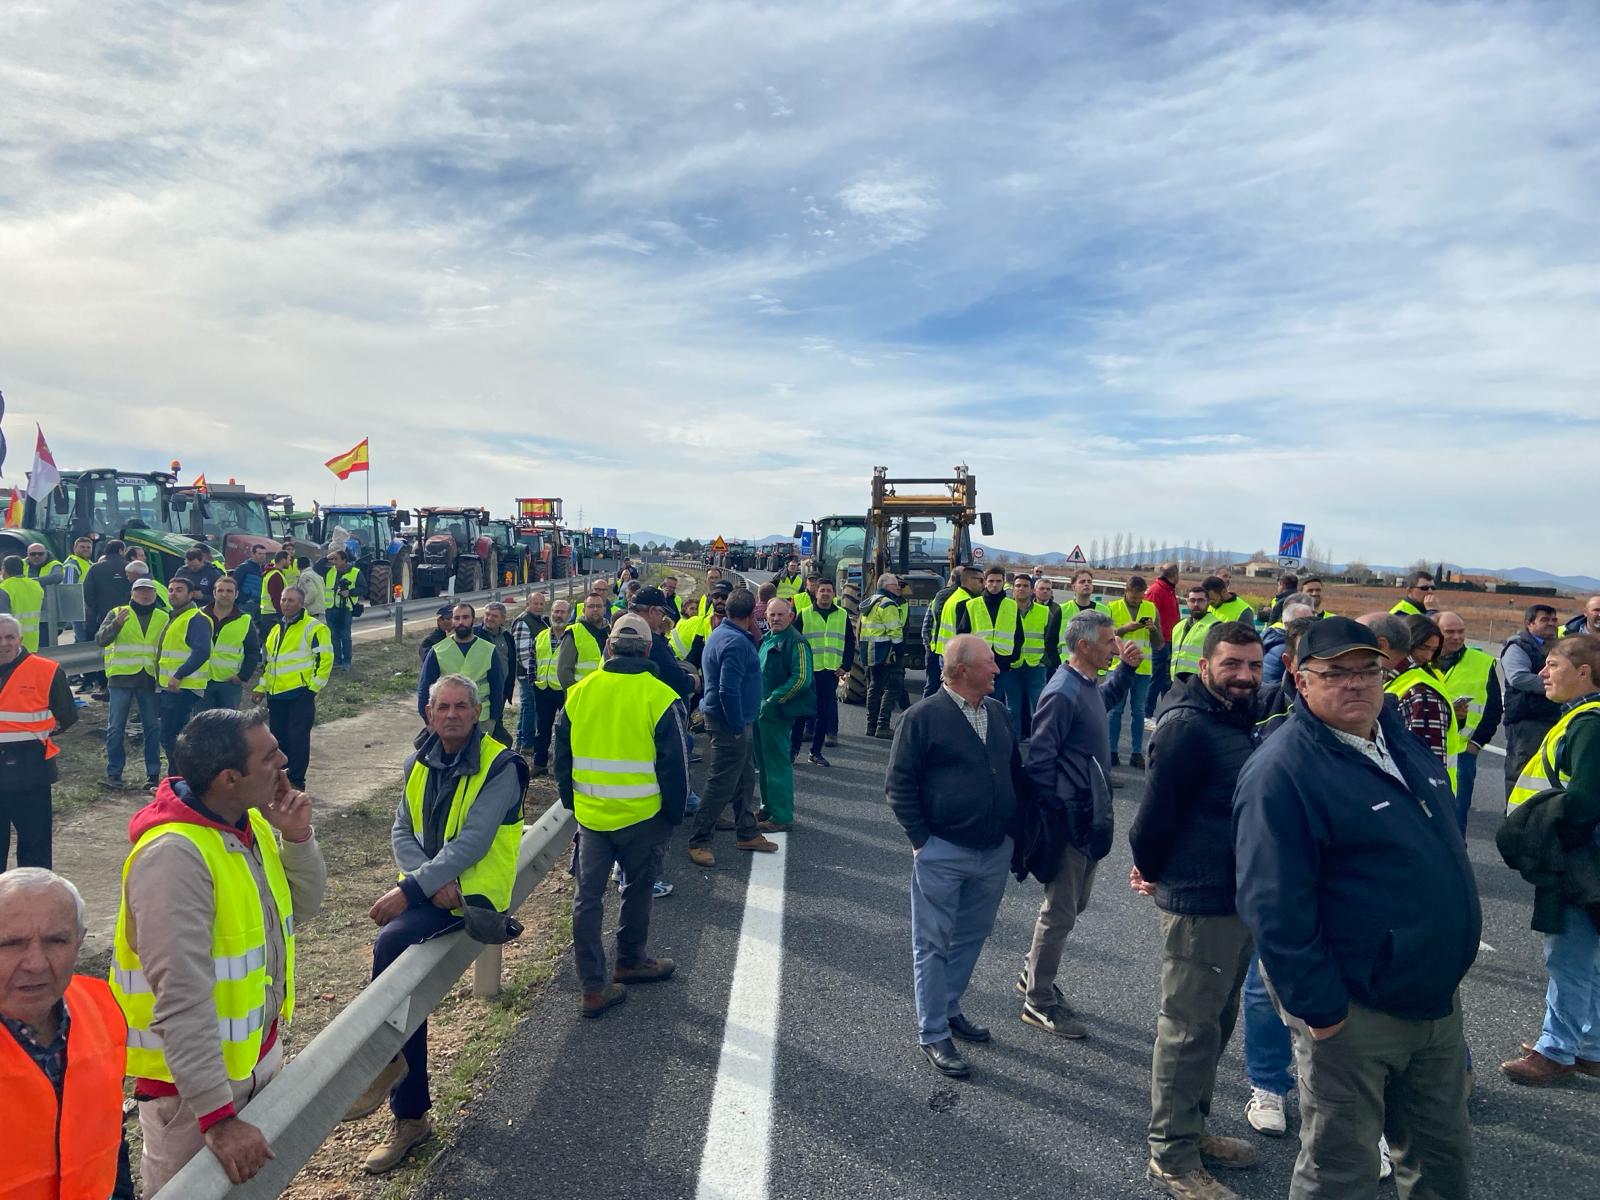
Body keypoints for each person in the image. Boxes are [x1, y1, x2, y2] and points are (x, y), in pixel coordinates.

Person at [1233, 617, 1478, 1199]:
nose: (1357, 684)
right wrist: (1324, 1013)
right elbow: (1274, 908)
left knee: (1441, 1157)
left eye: (1368, 670)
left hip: (1432, 995)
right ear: (1300, 678)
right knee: (1342, 1172)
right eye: (1335, 673)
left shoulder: (1395, 738)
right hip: (1354, 1010)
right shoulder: (1282, 772)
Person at [111, 708, 325, 1193]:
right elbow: (180, 996)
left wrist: (296, 835)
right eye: (270, 755)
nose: (285, 760)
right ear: (230, 778)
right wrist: (217, 1117)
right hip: (194, 1097)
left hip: (254, 1060)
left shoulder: (245, 827)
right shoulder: (174, 856)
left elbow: (303, 906)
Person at [352, 675, 528, 1171]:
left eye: (460, 707)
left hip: (474, 901)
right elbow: (401, 830)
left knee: (390, 945)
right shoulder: (418, 760)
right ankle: (409, 1111)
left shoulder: (502, 766)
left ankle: (399, 1092)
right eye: (441, 707)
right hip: (437, 894)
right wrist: (427, 885)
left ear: (476, 712)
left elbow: (473, 841)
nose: (450, 715)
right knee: (400, 972)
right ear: (428, 714)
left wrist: (411, 889)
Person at [1130, 622, 1265, 1199]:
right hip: (1200, 901)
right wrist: (1155, 869)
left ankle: (1194, 1128)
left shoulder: (1231, 719)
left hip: (1236, 898)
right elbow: (1153, 819)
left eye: (1255, 666)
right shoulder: (1188, 728)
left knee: (1214, 1026)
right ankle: (1173, 1156)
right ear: (1206, 665)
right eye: (1232, 664)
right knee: (1187, 1033)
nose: (1245, 676)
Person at [887, 634, 1023, 1079]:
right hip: (942, 850)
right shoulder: (922, 718)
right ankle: (932, 1033)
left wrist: (1015, 834)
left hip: (993, 850)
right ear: (962, 669)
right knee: (932, 944)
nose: (997, 670)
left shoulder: (999, 713)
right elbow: (900, 784)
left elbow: (1013, 773)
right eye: (989, 663)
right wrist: (922, 840)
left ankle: (948, 1007)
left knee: (972, 935)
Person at [554, 618, 687, 1017]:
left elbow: (561, 758)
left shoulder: (578, 693)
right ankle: (630, 960)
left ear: (608, 649)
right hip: (644, 817)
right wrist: (673, 817)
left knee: (587, 900)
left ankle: (593, 986)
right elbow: (676, 766)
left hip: (593, 817)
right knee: (638, 889)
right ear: (648, 651)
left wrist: (574, 804)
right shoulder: (660, 696)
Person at [1018, 610, 1140, 1038]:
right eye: (1109, 642)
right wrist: (1055, 816)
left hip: (1090, 817)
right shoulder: (1061, 691)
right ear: (1084, 646)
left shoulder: (1085, 684)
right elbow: (1040, 759)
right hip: (1071, 818)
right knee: (1061, 912)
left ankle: (1033, 972)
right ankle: (1039, 1000)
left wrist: (1126, 670)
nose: (1114, 646)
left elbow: (1103, 701)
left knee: (1074, 906)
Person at [1498, 633, 1600, 1084]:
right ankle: (1591, 1046)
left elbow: (1583, 800)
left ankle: (1555, 1049)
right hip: (1585, 860)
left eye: (1553, 665)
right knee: (1588, 958)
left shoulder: (1589, 725)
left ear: (1584, 671)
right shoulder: (1582, 718)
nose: (1543, 673)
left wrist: (1539, 829)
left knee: (1568, 957)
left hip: (1579, 862)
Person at [0, 869, 132, 1200]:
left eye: (56, 941)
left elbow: (110, 1143)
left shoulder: (99, 1008)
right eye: (11, 943)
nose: (36, 963)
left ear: (80, 940)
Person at [687, 589, 776, 865]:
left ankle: (747, 831)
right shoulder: (737, 643)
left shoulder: (721, 634)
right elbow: (728, 690)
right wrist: (737, 725)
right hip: (729, 722)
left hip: (731, 719)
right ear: (751, 615)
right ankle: (699, 840)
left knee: (745, 777)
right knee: (721, 783)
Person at [0, 614, 77, 869]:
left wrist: (35, 735)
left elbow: (67, 716)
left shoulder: (46, 670)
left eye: (9, 637)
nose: (4, 643)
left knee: (35, 849)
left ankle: (34, 903)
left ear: (20, 639)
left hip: (30, 772)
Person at [1361, 612, 1462, 794]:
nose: (1429, 657)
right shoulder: (1392, 680)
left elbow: (1427, 771)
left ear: (1381, 645)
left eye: (1359, 644)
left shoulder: (1420, 693)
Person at [252, 586, 332, 791]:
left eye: (291, 600)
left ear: (301, 603)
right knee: (278, 740)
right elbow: (269, 664)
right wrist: (261, 688)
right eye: (284, 600)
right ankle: (281, 779)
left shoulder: (315, 627)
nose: (286, 604)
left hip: (300, 693)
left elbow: (325, 660)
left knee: (298, 740)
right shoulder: (276, 630)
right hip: (276, 694)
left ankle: (297, 780)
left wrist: (312, 689)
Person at [97, 577, 168, 791]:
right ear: (132, 593)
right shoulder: (118, 612)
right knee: (116, 728)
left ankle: (153, 776)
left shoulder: (164, 617)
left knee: (152, 728)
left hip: (149, 679)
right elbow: (100, 639)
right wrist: (116, 625)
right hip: (121, 677)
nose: (144, 595)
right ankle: (114, 774)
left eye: (148, 591)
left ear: (155, 595)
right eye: (140, 591)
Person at [1436, 610, 1502, 830]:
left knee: (1455, 817)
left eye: (1461, 632)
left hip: (1462, 753)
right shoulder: (1421, 660)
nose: (1456, 637)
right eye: (1449, 632)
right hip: (1423, 748)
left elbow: (1493, 709)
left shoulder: (1481, 663)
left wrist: (1476, 744)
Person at [757, 598, 811, 832]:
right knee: (764, 762)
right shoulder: (768, 638)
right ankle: (768, 807)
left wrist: (774, 699)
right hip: (761, 711)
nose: (776, 619)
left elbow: (802, 678)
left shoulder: (796, 641)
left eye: (780, 615)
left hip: (777, 711)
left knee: (777, 763)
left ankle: (781, 815)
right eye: (772, 615)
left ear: (790, 616)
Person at [1502, 603, 1564, 800]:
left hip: (1554, 719)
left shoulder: (1560, 647)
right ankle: (1514, 819)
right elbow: (1519, 678)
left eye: (1554, 620)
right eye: (1544, 620)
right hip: (1527, 721)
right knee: (1522, 774)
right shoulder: (1518, 646)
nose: (1551, 624)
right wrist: (1558, 685)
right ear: (1529, 623)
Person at [793, 579, 854, 764]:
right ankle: (793, 750)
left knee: (823, 713)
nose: (825, 593)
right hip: (808, 672)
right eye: (822, 590)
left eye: (829, 590)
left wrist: (846, 665)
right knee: (802, 713)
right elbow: (794, 642)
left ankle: (815, 752)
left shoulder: (842, 615)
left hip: (830, 672)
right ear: (816, 593)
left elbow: (850, 641)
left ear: (834, 594)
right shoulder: (804, 614)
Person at [157, 577, 213, 775]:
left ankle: (179, 779)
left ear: (190, 594)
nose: (173, 593)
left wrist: (179, 675)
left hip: (183, 687)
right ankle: (177, 779)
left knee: (173, 738)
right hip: (172, 687)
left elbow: (202, 651)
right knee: (171, 737)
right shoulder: (176, 617)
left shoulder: (195, 618)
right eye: (171, 590)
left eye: (179, 590)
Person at [419, 603, 505, 732]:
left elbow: (497, 688)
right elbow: (424, 687)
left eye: (465, 617)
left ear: (473, 620)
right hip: (448, 719)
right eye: (457, 618)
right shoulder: (438, 650)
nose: (461, 622)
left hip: (481, 719)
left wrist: (493, 719)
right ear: (452, 621)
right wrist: (428, 720)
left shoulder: (488, 650)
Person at [1108, 574, 1162, 768]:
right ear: (1126, 592)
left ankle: (1136, 753)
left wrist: (1153, 629)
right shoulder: (1112, 608)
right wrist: (1125, 628)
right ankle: (1111, 751)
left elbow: (1159, 643)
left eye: (1141, 597)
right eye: (1134, 597)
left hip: (1143, 668)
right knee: (1115, 710)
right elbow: (1106, 636)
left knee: (1138, 712)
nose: (1138, 601)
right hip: (1119, 667)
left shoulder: (1150, 608)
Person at [523, 599, 572, 775]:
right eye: (555, 611)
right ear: (550, 613)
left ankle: (565, 765)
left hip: (564, 690)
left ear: (569, 614)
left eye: (562, 612)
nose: (558, 615)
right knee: (542, 729)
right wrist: (533, 681)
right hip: (543, 689)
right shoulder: (541, 636)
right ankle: (539, 763)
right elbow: (532, 660)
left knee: (567, 729)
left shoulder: (573, 635)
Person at [861, 573, 910, 738]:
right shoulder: (888, 604)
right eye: (895, 584)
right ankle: (882, 726)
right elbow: (895, 630)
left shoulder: (870, 602)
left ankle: (871, 726)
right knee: (893, 687)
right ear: (887, 586)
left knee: (874, 688)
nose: (898, 587)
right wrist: (899, 650)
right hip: (887, 652)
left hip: (871, 651)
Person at [202, 575, 260, 713]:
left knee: (228, 726)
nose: (224, 594)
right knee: (202, 726)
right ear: (214, 593)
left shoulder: (244, 620)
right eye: (220, 590)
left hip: (229, 682)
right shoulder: (199, 615)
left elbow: (253, 651)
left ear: (236, 594)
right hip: (201, 680)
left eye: (229, 591)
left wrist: (242, 676)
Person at [1005, 573, 1051, 738]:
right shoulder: (1005, 610)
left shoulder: (1044, 611)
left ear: (1032, 590)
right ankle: (1013, 751)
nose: (1021, 589)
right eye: (1018, 586)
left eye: (1025, 586)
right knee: (1012, 711)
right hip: (1012, 667)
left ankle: (1041, 747)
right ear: (1013, 589)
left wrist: (1044, 661)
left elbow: (1051, 639)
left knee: (1041, 709)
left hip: (1036, 668)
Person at [922, 566, 974, 700]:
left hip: (937, 647)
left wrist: (928, 645)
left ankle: (924, 714)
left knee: (933, 686)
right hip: (950, 650)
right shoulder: (962, 597)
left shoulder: (941, 595)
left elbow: (928, 622)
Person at [512, 592, 551, 754]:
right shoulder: (523, 622)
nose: (539, 607)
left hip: (532, 673)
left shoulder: (539, 621)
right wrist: (533, 674)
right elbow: (522, 653)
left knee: (527, 707)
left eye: (541, 604)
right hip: (527, 673)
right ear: (528, 604)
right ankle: (527, 744)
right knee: (530, 707)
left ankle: (522, 742)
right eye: (535, 604)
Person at [475, 601, 519, 742]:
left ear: (502, 619)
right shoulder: (475, 634)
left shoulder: (507, 637)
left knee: (495, 721)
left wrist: (508, 690)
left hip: (501, 692)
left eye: (494, 616)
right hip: (481, 692)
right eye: (487, 614)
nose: (489, 618)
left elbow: (511, 663)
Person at [1145, 562, 1182, 717]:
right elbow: (1149, 615)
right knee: (1156, 678)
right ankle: (1147, 713)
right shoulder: (1157, 591)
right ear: (1174, 575)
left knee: (1167, 680)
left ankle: (1167, 713)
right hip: (1159, 642)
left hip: (1170, 640)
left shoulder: (1169, 590)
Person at [1260, 595, 1315, 691]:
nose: (1310, 628)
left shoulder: (1272, 636)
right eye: (1302, 624)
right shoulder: (1288, 649)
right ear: (1287, 624)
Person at [558, 593, 610, 689]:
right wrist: (575, 694)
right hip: (582, 695)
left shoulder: (610, 632)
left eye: (598, 606)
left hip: (607, 693)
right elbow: (564, 672)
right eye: (591, 606)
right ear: (583, 610)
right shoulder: (573, 632)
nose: (595, 609)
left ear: (604, 610)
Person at [322, 548, 363, 671]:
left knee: (345, 636)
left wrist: (350, 592)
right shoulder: (330, 571)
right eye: (333, 559)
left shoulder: (355, 572)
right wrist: (327, 557)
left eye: (336, 559)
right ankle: (337, 660)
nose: (334, 562)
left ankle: (347, 661)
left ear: (344, 560)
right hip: (330, 608)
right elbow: (317, 567)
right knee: (333, 636)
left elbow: (363, 588)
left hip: (346, 609)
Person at [1169, 585, 1218, 683]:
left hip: (1199, 683)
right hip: (1176, 682)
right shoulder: (1178, 626)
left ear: (1208, 602)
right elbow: (1173, 655)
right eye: (1192, 600)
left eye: (1200, 600)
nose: (1196, 604)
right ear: (1187, 602)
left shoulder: (1215, 626)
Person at [0, 556, 44, 652]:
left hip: (9, 645)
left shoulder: (4, 588)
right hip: (32, 643)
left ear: (4, 570)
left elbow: (2, 620)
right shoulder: (36, 585)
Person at [256, 549, 292, 641]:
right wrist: (284, 614)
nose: (290, 562)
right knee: (273, 643)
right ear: (283, 560)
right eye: (289, 560)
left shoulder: (272, 573)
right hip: (273, 616)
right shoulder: (276, 575)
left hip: (268, 615)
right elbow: (277, 598)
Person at [1035, 577, 1064, 676]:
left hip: (1050, 660)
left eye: (1048, 589)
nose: (1045, 591)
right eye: (1042, 588)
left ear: (1051, 592)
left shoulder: (1058, 610)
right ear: (1035, 591)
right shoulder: (1029, 608)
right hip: (1032, 658)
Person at [232, 543, 269, 614]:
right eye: (260, 554)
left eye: (264, 554)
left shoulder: (264, 569)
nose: (263, 556)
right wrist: (243, 599)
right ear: (252, 554)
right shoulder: (243, 567)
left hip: (260, 605)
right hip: (246, 605)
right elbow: (234, 585)